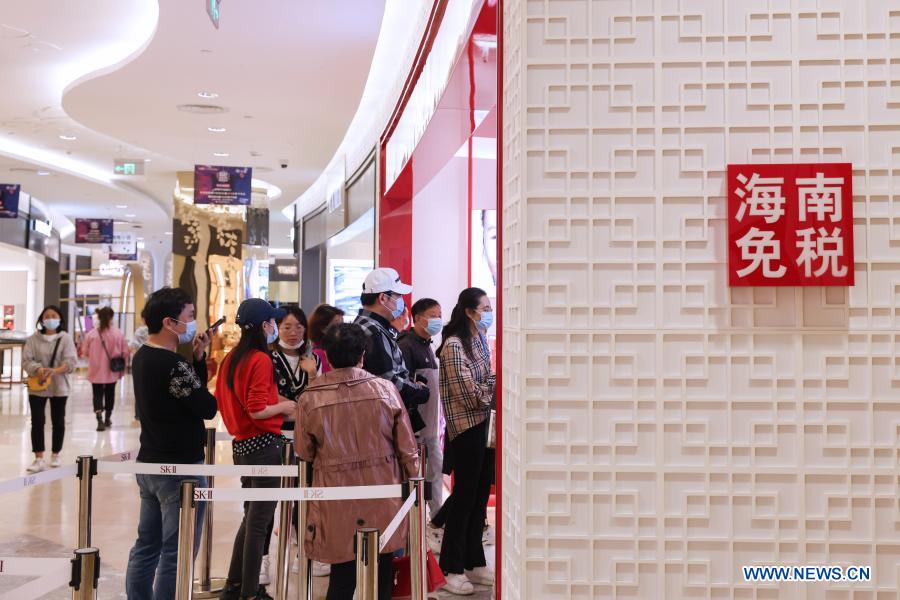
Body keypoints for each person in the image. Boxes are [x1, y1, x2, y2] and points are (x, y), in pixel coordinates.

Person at [296, 323, 419, 600]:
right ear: (363, 354)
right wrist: (415, 490)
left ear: (327, 355)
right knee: (384, 572)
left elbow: (304, 452)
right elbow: (407, 449)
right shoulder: (385, 389)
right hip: (384, 493)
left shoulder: (310, 397)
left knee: (341, 576)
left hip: (335, 495)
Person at [125, 287, 218, 600]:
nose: (192, 323)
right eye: (189, 317)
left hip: (149, 461)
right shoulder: (172, 364)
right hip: (180, 470)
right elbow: (206, 407)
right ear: (169, 322)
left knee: (146, 545)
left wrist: (198, 358)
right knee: (176, 552)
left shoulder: (143, 357)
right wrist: (197, 364)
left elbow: (186, 397)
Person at [218, 299, 297, 600]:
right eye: (274, 322)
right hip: (264, 445)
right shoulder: (260, 359)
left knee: (251, 518)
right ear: (265, 325)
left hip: (243, 446)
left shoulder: (232, 358)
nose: (276, 327)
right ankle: (250, 592)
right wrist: (286, 406)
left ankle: (234, 586)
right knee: (259, 523)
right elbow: (257, 409)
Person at [437, 288, 496, 595]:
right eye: (485, 307)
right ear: (470, 311)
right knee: (463, 500)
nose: (489, 311)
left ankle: (474, 561)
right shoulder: (454, 345)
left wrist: (489, 387)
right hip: (466, 430)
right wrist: (490, 390)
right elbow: (470, 394)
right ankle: (452, 566)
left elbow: (488, 379)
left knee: (478, 498)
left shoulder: (479, 339)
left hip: (486, 426)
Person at [259, 305, 322, 586]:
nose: (294, 332)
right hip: (274, 435)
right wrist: (290, 407)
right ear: (276, 327)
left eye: (299, 326)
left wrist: (312, 376)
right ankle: (262, 559)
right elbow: (270, 398)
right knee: (266, 500)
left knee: (304, 497)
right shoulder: (267, 358)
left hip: (305, 436)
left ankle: (305, 553)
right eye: (287, 326)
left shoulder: (312, 359)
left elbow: (317, 396)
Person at [353, 267, 429, 432]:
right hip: (380, 422)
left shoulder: (368, 326)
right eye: (398, 296)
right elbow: (387, 382)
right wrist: (419, 391)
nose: (402, 301)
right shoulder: (372, 331)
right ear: (383, 298)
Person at [398, 298, 445, 520]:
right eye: (433, 315)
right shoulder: (406, 345)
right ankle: (412, 523)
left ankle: (436, 519)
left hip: (433, 426)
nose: (438, 320)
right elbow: (404, 387)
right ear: (417, 318)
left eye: (439, 315)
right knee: (414, 476)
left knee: (435, 471)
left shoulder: (430, 346)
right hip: (415, 427)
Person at [22, 305, 77, 473]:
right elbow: (26, 360)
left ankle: (55, 454)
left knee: (58, 421)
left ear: (59, 319)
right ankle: (38, 458)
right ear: (42, 319)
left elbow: (71, 362)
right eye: (47, 316)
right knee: (37, 421)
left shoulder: (66, 338)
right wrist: (38, 369)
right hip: (37, 386)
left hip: (59, 386)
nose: (50, 318)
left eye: (54, 315)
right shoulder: (33, 339)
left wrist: (54, 371)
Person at [79, 306, 129, 431]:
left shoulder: (91, 334)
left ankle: (99, 419)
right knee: (110, 394)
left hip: (95, 371)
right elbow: (125, 352)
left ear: (99, 317)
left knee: (97, 394)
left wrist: (94, 356)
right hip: (112, 370)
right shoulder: (118, 333)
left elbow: (84, 352)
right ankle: (108, 418)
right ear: (112, 317)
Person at [307, 304, 344, 374]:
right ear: (323, 328)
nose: (343, 329)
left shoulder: (337, 348)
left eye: (343, 324)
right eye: (337, 325)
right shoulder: (318, 354)